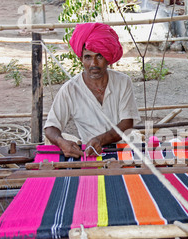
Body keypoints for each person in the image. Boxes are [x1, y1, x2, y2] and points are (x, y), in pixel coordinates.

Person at [44, 22, 141, 158]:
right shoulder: (70, 89)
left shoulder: (123, 82)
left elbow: (127, 122)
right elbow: (51, 127)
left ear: (107, 58)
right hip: (90, 153)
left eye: (99, 56)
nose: (93, 64)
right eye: (88, 57)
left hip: (124, 149)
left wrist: (100, 140)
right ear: (81, 59)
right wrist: (61, 142)